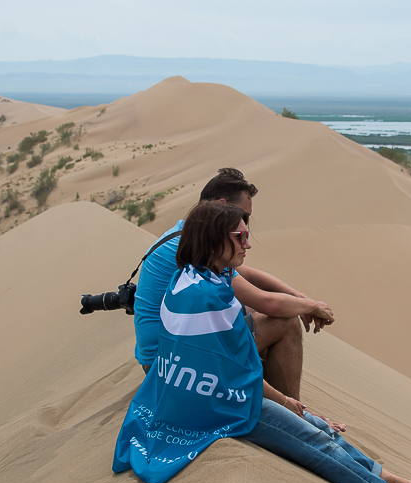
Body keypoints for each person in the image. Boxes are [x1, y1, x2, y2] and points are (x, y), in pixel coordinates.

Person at [114, 201, 411, 483]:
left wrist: (295, 401)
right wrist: (288, 401)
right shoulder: (209, 299)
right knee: (314, 439)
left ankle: (384, 477)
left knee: (314, 425)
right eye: (240, 237)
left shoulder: (198, 274)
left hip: (199, 395)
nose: (248, 244)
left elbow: (259, 313)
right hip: (212, 407)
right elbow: (237, 377)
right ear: (214, 240)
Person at [133, 168, 337, 424]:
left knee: (247, 313)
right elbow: (267, 302)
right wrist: (309, 306)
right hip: (168, 369)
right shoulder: (196, 249)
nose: (246, 227)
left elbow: (246, 273)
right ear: (222, 206)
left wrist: (299, 297)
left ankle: (280, 400)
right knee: (283, 322)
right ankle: (294, 413)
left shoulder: (185, 234)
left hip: (168, 356)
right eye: (242, 216)